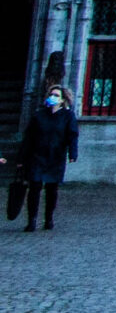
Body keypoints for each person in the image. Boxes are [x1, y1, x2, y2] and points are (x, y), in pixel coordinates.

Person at [17, 85, 77, 232]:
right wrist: (21, 158)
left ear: (63, 100)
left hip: (55, 156)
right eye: (51, 94)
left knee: (52, 189)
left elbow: (72, 135)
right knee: (35, 187)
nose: (53, 97)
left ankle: (48, 218)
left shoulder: (68, 116)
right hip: (37, 155)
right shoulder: (39, 115)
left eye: (57, 95)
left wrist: (72, 153)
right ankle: (32, 220)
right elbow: (29, 137)